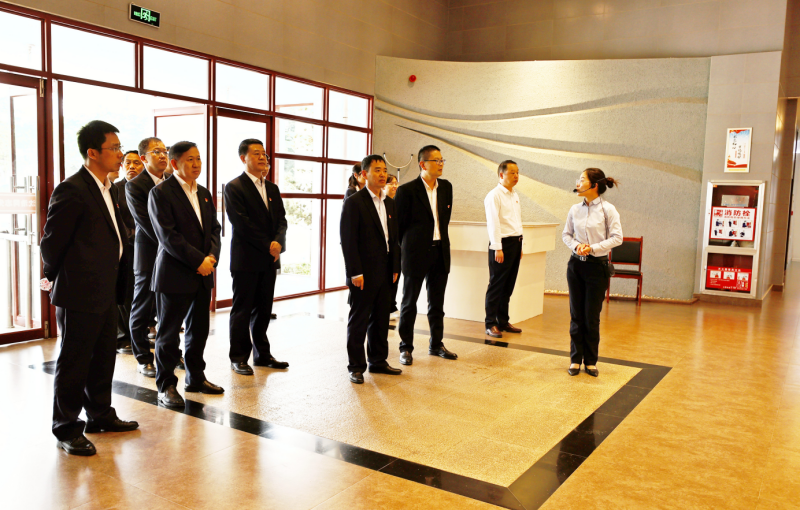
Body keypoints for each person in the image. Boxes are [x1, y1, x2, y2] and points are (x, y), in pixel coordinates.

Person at [40, 120, 139, 456]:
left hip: (107, 289)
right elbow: (51, 244)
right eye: (114, 148)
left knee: (102, 358)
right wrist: (57, 278)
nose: (120, 154)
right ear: (93, 152)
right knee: (74, 362)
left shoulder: (109, 187)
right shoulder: (72, 189)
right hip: (79, 292)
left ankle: (100, 414)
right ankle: (66, 427)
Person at [149, 141, 222, 407]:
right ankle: (166, 385)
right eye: (190, 159)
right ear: (174, 163)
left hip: (203, 272)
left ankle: (195, 378)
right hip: (174, 274)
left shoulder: (204, 193)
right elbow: (168, 236)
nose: (196, 164)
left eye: (198, 159)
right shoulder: (161, 192)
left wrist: (211, 257)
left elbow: (214, 229)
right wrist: (198, 261)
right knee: (169, 334)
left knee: (198, 330)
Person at [224, 139, 289, 375]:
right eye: (256, 154)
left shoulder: (272, 188)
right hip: (246, 258)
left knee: (264, 308)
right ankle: (239, 357)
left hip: (270, 258)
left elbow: (281, 219)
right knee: (242, 310)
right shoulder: (234, 187)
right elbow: (241, 223)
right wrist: (268, 244)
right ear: (243, 158)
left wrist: (278, 242)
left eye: (264, 154)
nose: (263, 158)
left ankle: (262, 354)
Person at [340, 155, 401, 384]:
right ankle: (356, 366)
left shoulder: (390, 202)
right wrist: (355, 272)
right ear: (364, 174)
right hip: (363, 273)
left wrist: (395, 267)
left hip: (386, 271)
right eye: (377, 170)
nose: (383, 174)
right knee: (359, 320)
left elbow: (394, 239)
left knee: (381, 319)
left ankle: (378, 361)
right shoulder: (354, 202)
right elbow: (348, 240)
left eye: (384, 170)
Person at [394, 145, 457, 366]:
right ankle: (405, 347)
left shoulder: (446, 187)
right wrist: (405, 251)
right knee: (409, 303)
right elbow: (399, 228)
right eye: (436, 160)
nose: (440, 164)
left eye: (442, 160)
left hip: (440, 251)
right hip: (415, 254)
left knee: (437, 303)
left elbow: (444, 220)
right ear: (423, 164)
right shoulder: (407, 191)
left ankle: (436, 344)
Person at [562, 168, 622, 377]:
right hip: (575, 266)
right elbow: (566, 235)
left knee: (591, 317)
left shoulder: (608, 210)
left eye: (582, 179)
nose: (577, 183)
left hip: (597, 267)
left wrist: (592, 248)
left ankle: (590, 362)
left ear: (594, 185)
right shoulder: (574, 209)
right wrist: (577, 246)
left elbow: (617, 238)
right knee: (576, 315)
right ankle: (575, 360)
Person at [126, 137, 178, 378]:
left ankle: (172, 355)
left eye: (164, 151)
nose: (163, 155)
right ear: (144, 158)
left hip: (172, 256)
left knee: (170, 311)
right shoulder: (135, 186)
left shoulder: (173, 182)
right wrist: (173, 243)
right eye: (156, 152)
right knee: (142, 309)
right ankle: (143, 358)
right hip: (149, 255)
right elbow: (146, 224)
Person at [484, 160, 524, 339]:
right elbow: (493, 223)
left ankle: (503, 321)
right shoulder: (494, 195)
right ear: (501, 175)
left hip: (515, 243)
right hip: (502, 245)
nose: (516, 176)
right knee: (497, 285)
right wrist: (497, 248)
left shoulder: (514, 194)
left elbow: (516, 221)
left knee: (508, 285)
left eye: (517, 173)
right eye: (512, 173)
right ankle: (490, 323)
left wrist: (520, 244)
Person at [112, 151, 142, 355]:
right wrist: (134, 236)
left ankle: (138, 336)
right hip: (126, 248)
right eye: (128, 162)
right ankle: (123, 337)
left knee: (142, 296)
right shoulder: (115, 189)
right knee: (125, 293)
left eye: (137, 163)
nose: (132, 166)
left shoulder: (150, 188)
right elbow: (117, 222)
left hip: (148, 248)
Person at [384, 174, 400, 320]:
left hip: (397, 247)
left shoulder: (395, 203)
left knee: (395, 277)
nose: (395, 186)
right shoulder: (382, 203)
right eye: (391, 184)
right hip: (384, 250)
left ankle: (391, 305)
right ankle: (387, 307)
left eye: (396, 183)